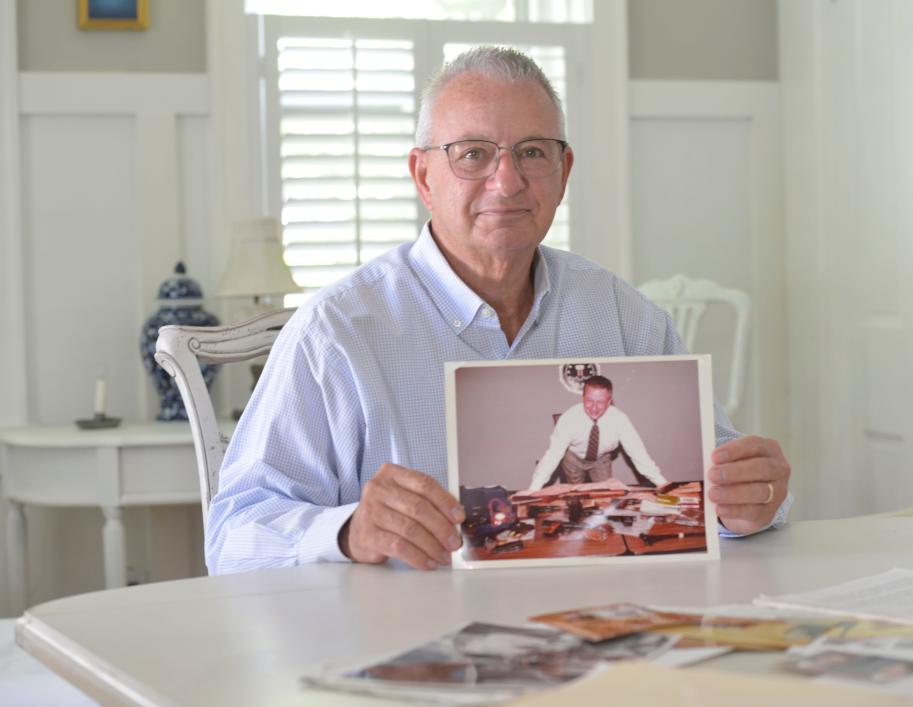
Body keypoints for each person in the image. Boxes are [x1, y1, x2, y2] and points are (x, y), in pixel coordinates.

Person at [206, 46, 792, 575]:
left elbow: (721, 492)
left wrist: (754, 502)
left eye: (532, 152)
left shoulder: (627, 317)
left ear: (562, 174)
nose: (506, 180)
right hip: (407, 657)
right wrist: (345, 530)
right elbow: (232, 536)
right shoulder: (336, 333)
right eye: (473, 154)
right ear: (423, 176)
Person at [526, 375, 669, 491]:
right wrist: (533, 489)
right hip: (573, 458)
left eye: (600, 402)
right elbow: (553, 455)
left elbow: (638, 453)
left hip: (601, 459)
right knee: (576, 497)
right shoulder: (568, 419)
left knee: (605, 497)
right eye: (589, 401)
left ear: (609, 401)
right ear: (583, 398)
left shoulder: (620, 419)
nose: (594, 408)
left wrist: (661, 482)